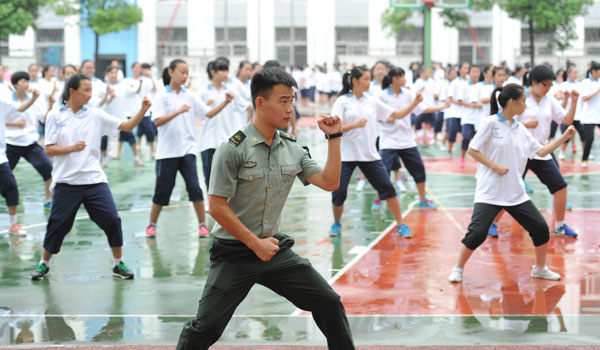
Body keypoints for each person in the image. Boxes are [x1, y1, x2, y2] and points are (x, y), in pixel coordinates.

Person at [175, 67, 355, 350]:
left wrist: (334, 138)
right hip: (233, 252)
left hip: (273, 250)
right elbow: (217, 207)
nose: (290, 109)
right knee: (205, 328)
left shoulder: (292, 148)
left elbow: (330, 183)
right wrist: (254, 243)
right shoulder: (232, 149)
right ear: (260, 103)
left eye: (292, 100)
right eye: (283, 101)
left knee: (328, 302)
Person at [448, 83, 577, 284]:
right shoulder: (490, 123)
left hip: (515, 194)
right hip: (489, 192)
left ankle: (540, 268)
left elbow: (541, 152)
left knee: (541, 229)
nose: (525, 106)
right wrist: (495, 166)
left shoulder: (520, 129)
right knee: (476, 234)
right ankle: (458, 268)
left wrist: (563, 137)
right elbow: (473, 149)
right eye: (523, 102)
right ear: (512, 102)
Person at [31, 73, 151, 280]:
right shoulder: (55, 116)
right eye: (86, 90)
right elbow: (49, 150)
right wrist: (72, 148)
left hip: (94, 181)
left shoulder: (95, 114)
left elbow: (126, 126)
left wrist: (142, 110)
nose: (90, 94)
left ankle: (118, 264)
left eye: (91, 90)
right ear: (72, 91)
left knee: (113, 220)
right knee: (58, 225)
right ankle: (44, 263)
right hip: (66, 182)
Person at [487, 65, 580, 239]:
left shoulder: (549, 100)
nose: (549, 88)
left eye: (551, 85)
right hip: (519, 152)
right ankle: (492, 223)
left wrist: (574, 102)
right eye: (546, 84)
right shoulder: (520, 98)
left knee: (560, 187)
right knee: (510, 190)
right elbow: (505, 122)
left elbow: (566, 120)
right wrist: (526, 124)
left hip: (541, 151)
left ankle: (559, 226)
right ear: (535, 82)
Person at [145, 59, 231, 239]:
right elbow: (157, 121)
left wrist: (225, 102)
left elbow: (207, 113)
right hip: (167, 152)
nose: (184, 76)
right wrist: (179, 111)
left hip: (188, 150)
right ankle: (152, 224)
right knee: (162, 190)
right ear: (171, 72)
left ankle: (202, 225)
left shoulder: (190, 95)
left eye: (187, 73)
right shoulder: (161, 96)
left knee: (194, 187)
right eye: (181, 72)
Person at [328, 66, 413, 238]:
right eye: (365, 79)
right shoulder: (342, 101)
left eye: (369, 79)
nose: (369, 82)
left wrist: (415, 103)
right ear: (354, 81)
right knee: (339, 193)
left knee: (388, 189)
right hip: (346, 156)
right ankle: (336, 223)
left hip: (369, 156)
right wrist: (356, 124)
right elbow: (334, 128)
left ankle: (401, 225)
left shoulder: (372, 101)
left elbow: (396, 114)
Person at [379, 67, 448, 209]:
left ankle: (423, 199)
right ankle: (378, 199)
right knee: (382, 173)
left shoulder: (408, 94)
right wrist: (386, 119)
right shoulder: (383, 96)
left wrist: (442, 106)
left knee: (419, 170)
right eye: (402, 77)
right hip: (389, 141)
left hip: (406, 141)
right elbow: (382, 116)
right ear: (395, 79)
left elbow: (423, 109)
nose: (405, 80)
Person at [4, 72, 54, 208]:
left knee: (48, 168)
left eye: (27, 81)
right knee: (4, 175)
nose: (26, 84)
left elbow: (44, 118)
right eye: (23, 81)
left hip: (30, 143)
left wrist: (50, 105)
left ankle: (48, 199)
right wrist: (15, 124)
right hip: (11, 143)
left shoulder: (34, 100)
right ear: (15, 85)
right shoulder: (7, 100)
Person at [0, 87, 40, 235]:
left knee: (11, 186)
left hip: (0, 156)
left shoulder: (2, 101)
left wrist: (33, 98)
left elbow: (20, 107)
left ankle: (13, 225)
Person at [459, 65, 483, 168]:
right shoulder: (464, 85)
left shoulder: (482, 86)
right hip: (467, 117)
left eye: (477, 72)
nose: (475, 74)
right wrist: (472, 105)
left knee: (478, 140)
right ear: (469, 73)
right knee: (466, 137)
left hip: (479, 118)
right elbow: (460, 101)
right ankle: (462, 158)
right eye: (473, 72)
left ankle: (479, 160)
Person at [579, 62, 600, 167]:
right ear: (593, 72)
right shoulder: (585, 82)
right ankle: (584, 160)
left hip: (599, 115)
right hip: (589, 116)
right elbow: (585, 98)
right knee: (590, 138)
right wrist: (597, 90)